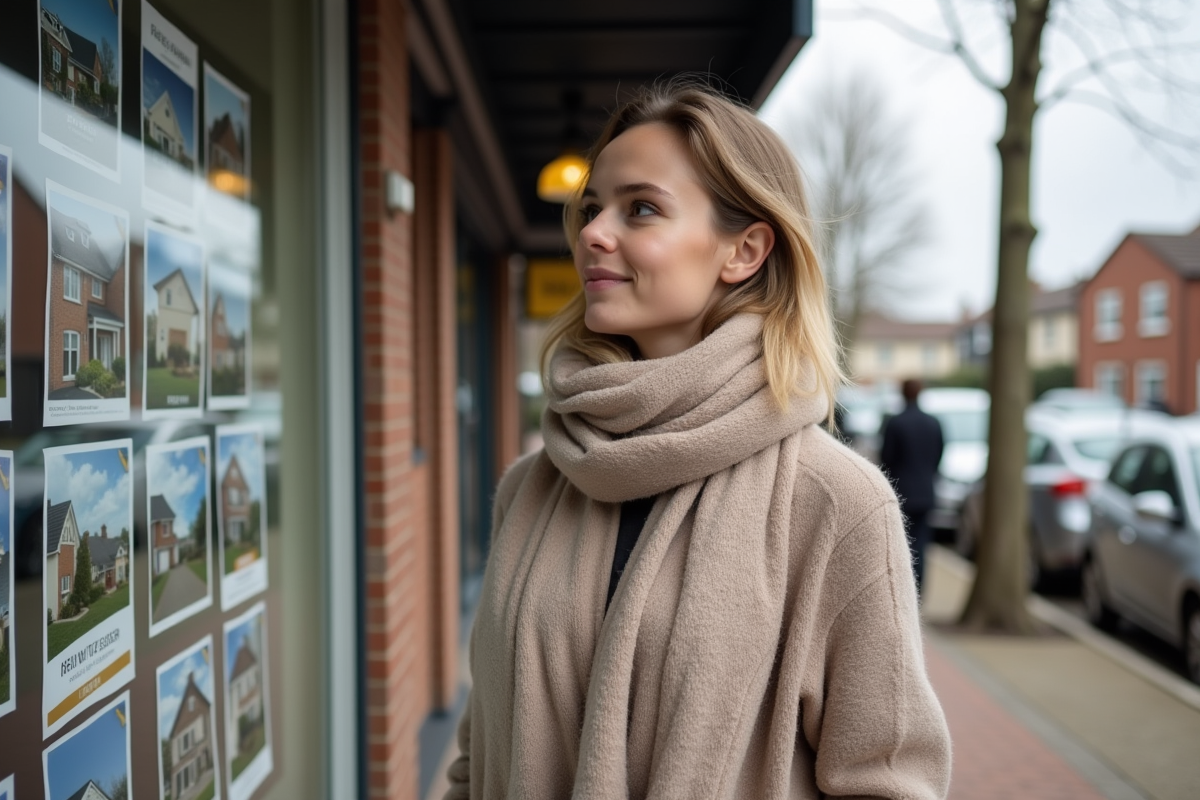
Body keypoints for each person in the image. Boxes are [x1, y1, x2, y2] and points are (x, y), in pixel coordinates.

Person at [445, 82, 951, 800]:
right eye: (591, 209)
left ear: (743, 250)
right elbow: (480, 751)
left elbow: (889, 783)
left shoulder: (836, 503)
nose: (592, 232)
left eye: (640, 208)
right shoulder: (532, 487)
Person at [879, 378, 945, 592]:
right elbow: (938, 455)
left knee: (902, 544)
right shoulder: (933, 422)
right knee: (922, 544)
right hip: (926, 492)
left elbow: (886, 458)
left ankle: (904, 588)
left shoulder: (895, 423)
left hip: (901, 492)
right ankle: (919, 589)